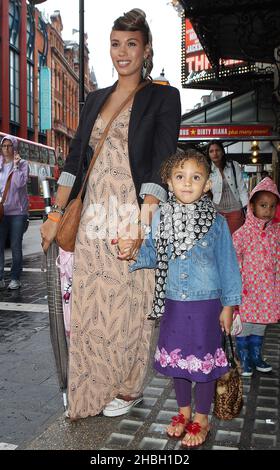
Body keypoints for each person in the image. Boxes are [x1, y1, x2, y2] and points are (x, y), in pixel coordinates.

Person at [40, 8, 181, 419]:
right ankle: (90, 390)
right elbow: (75, 157)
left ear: (146, 48)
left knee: (130, 303)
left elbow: (163, 158)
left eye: (131, 44)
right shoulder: (96, 98)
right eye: (116, 44)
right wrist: (55, 215)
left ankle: (129, 386)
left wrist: (143, 219)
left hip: (133, 212)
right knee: (91, 302)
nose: (122, 53)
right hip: (93, 217)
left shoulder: (162, 96)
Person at [130, 149, 242, 448]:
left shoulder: (217, 224)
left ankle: (202, 417)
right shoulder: (161, 218)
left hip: (207, 304)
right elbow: (152, 253)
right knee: (179, 361)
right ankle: (183, 412)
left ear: (207, 184)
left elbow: (229, 264)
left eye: (196, 177)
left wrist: (229, 305)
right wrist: (130, 252)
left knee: (204, 365)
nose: (188, 183)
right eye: (180, 176)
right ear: (168, 181)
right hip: (173, 302)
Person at [232, 177, 280, 377]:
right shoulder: (242, 234)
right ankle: (243, 356)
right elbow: (233, 259)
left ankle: (255, 355)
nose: (267, 210)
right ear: (251, 206)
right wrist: (234, 286)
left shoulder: (276, 233)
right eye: (262, 205)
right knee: (246, 323)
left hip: (267, 289)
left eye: (271, 206)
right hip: (246, 288)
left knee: (260, 323)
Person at [0, 135, 29, 290]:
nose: (6, 149)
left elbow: (19, 184)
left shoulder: (23, 164)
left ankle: (15, 278)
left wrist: (16, 166)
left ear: (15, 147)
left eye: (9, 146)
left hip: (18, 213)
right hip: (2, 212)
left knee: (15, 246)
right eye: (4, 146)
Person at [206, 140, 248, 234]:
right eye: (211, 151)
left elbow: (242, 189)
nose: (215, 153)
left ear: (222, 152)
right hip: (217, 212)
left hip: (235, 211)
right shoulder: (207, 169)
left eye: (217, 150)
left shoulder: (233, 165)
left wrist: (247, 207)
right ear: (208, 154)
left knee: (234, 241)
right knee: (220, 243)